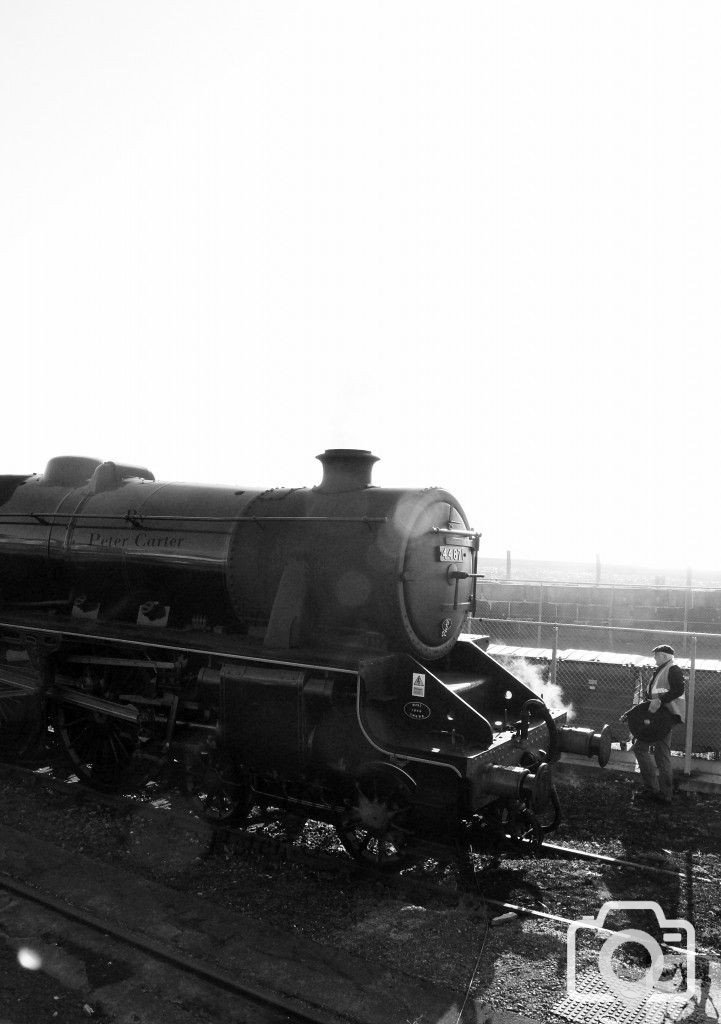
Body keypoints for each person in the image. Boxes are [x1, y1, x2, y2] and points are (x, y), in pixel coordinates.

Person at [632, 644, 686, 806]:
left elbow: (678, 689)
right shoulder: (665, 669)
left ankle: (656, 790)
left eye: (656, 655)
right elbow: (652, 697)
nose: (654, 658)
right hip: (661, 717)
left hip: (664, 717)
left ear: (663, 656)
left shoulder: (672, 669)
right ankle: (663, 793)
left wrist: (661, 700)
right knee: (661, 754)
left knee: (644, 750)